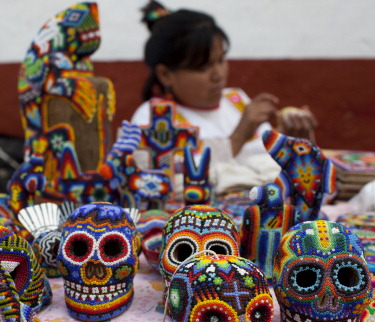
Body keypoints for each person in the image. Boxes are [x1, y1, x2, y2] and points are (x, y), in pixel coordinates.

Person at [130, 1, 318, 192]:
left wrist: (289, 142)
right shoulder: (154, 119)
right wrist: (239, 136)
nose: (217, 75)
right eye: (202, 68)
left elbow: (266, 162)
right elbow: (168, 180)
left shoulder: (236, 100)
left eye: (221, 60)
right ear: (165, 75)